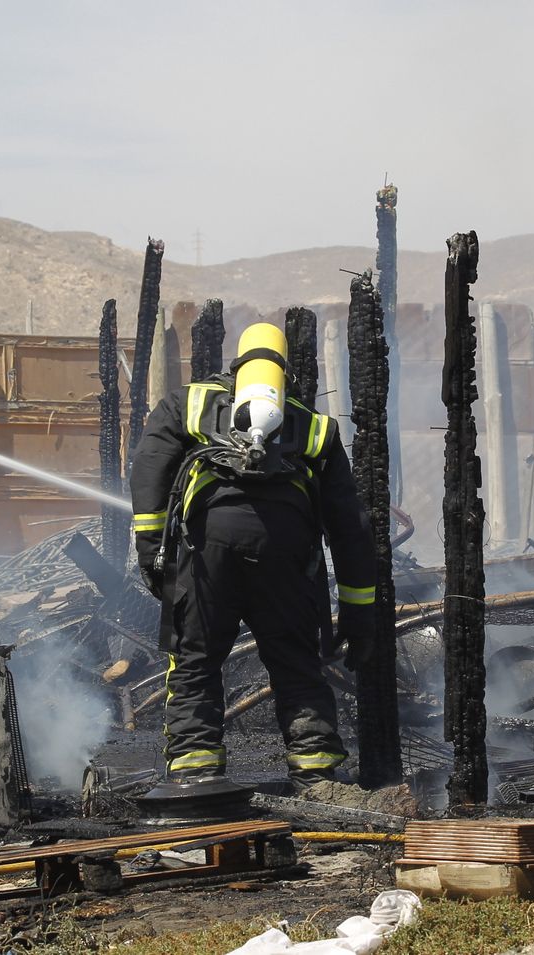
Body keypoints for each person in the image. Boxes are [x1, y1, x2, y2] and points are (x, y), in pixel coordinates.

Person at [129, 322, 377, 791]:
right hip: (285, 554)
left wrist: (152, 552)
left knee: (196, 659)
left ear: (236, 367)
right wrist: (359, 613)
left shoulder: (191, 403)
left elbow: (149, 471)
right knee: (295, 662)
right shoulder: (316, 427)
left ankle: (194, 775)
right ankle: (317, 770)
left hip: (207, 551)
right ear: (286, 376)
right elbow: (350, 530)